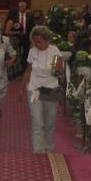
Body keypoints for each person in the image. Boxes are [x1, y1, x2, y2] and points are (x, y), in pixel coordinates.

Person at [23, 26, 63, 154]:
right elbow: (28, 70)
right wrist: (21, 87)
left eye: (39, 41)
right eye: (35, 41)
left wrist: (58, 68)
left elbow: (58, 71)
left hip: (51, 89)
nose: (37, 44)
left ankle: (49, 147)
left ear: (47, 40)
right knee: (37, 120)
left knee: (50, 121)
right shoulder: (32, 52)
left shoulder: (55, 51)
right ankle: (38, 149)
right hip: (34, 89)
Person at [4, 1, 33, 75]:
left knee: (25, 53)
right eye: (20, 7)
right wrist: (18, 33)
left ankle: (23, 68)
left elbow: (32, 27)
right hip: (16, 39)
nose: (22, 8)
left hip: (26, 37)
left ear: (26, 7)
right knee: (16, 54)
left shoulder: (29, 15)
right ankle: (15, 70)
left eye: (24, 7)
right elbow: (7, 31)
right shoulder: (13, 18)